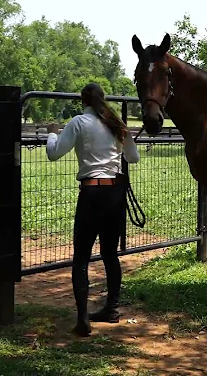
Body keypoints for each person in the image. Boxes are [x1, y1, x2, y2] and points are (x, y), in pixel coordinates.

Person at [46, 82, 140, 337]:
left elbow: (54, 153)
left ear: (83, 100)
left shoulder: (78, 122)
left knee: (82, 258)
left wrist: (53, 133)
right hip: (114, 193)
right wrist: (124, 139)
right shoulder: (115, 123)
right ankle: (111, 309)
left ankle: (82, 318)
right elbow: (133, 158)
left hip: (91, 192)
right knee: (110, 254)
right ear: (103, 99)